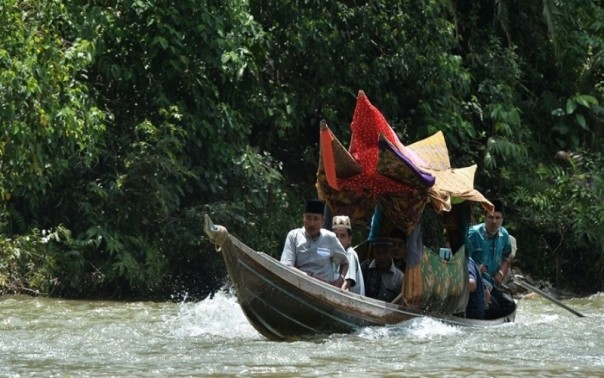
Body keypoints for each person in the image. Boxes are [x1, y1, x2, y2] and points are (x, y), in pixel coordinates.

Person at [280, 199, 349, 287]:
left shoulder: (330, 238)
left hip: (324, 289)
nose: (312, 223)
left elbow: (345, 262)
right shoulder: (294, 236)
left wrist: (341, 279)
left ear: (322, 221)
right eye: (308, 218)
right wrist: (310, 276)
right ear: (303, 218)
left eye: (316, 219)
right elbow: (286, 266)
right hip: (298, 285)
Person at [467, 199, 515, 319]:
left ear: (502, 220)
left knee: (509, 305)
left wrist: (501, 272)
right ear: (485, 218)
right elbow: (461, 255)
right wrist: (476, 268)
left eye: (497, 218)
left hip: (491, 282)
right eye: (490, 217)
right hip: (476, 281)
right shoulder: (473, 234)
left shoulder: (504, 235)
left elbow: (507, 256)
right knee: (493, 306)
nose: (494, 221)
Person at [361, 238, 404, 302]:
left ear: (391, 253)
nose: (381, 257)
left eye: (385, 252)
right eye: (378, 252)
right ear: (374, 252)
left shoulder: (399, 277)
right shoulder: (364, 268)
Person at [331, 215, 365, 295]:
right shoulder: (333, 255)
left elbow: (345, 286)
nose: (338, 240)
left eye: (343, 236)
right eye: (336, 236)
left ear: (349, 239)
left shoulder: (350, 254)